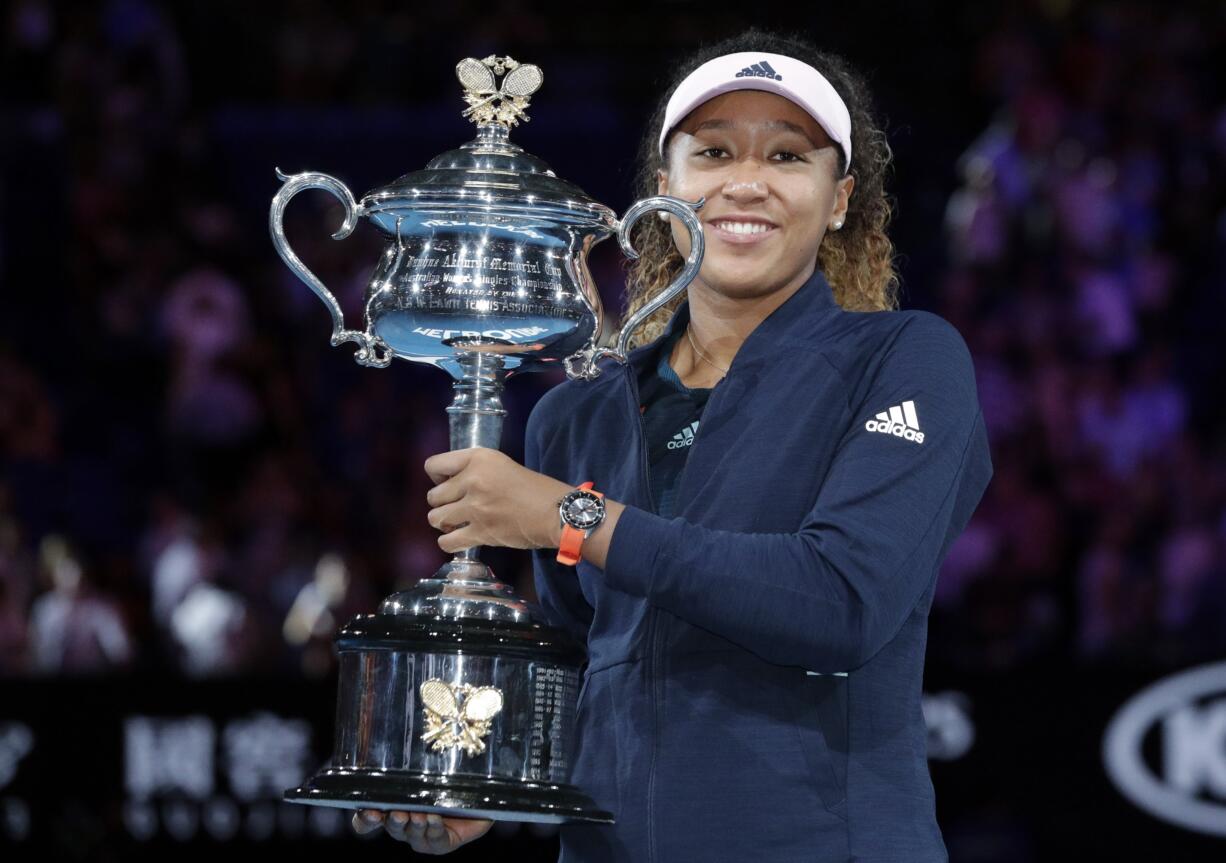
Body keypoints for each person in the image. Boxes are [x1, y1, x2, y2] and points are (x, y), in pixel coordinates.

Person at [353, 28, 993, 862]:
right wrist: (483, 775)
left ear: (839, 198)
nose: (747, 183)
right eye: (715, 151)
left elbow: (840, 602)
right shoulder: (573, 417)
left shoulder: (905, 359)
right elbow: (585, 665)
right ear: (666, 189)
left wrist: (573, 517)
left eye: (789, 157)